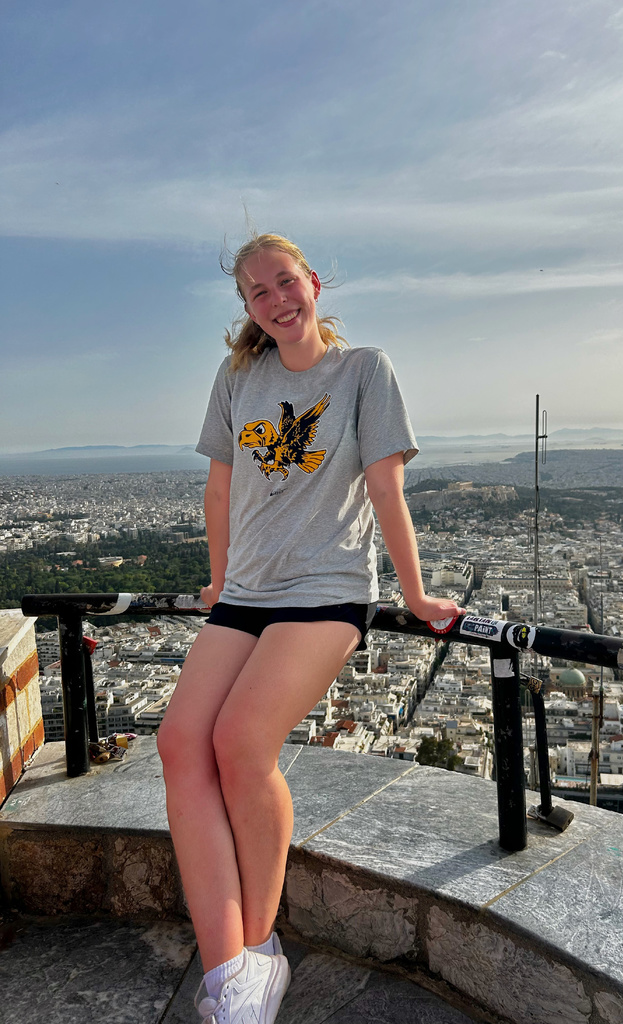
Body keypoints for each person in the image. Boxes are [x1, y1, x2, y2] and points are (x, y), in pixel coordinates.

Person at [157, 233, 461, 1024]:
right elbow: (219, 491)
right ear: (248, 309)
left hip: (326, 589)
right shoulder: (238, 376)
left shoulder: (364, 371)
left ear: (313, 282)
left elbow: (386, 488)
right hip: (248, 591)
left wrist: (416, 594)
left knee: (241, 743)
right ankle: (233, 964)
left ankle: (254, 957)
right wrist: (221, 577)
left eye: (285, 282)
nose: (277, 300)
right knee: (179, 741)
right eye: (258, 292)